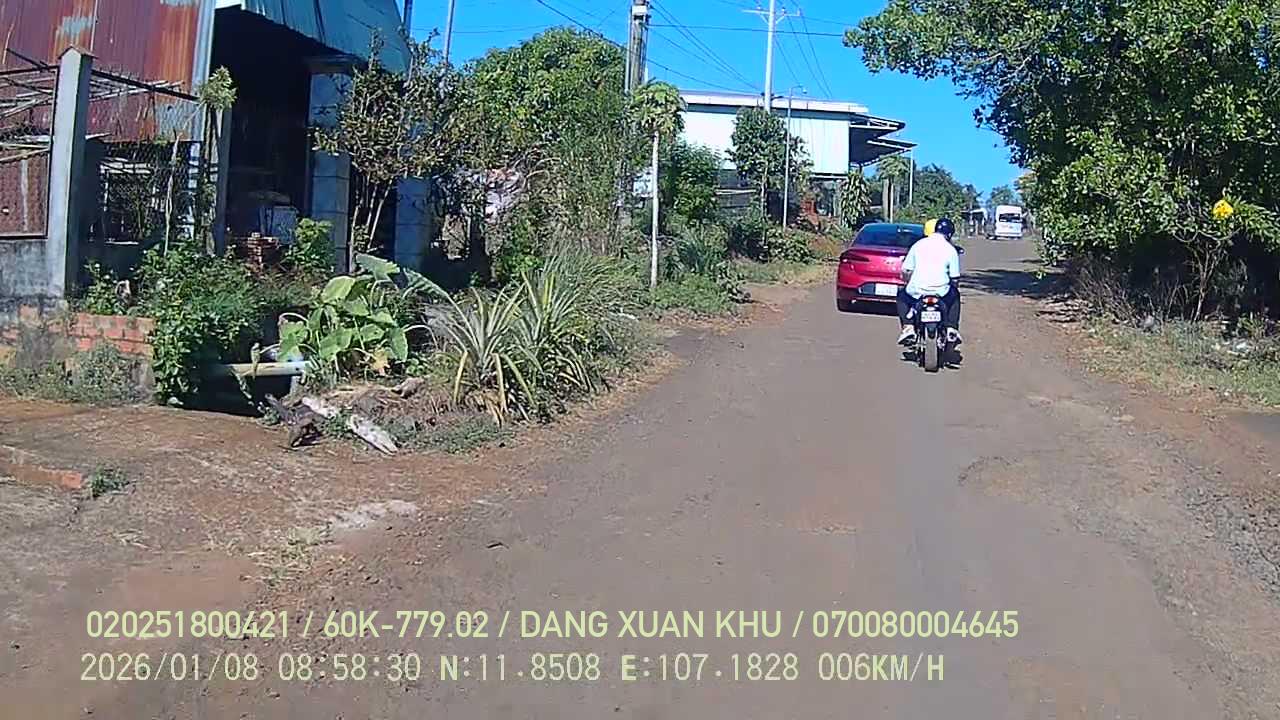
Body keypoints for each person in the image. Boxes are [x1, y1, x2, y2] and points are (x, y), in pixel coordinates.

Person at [897, 217, 962, 346]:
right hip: (941, 292)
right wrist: (952, 286)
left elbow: (906, 270)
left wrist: (907, 281)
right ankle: (951, 327)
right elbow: (955, 277)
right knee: (955, 295)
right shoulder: (950, 249)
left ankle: (908, 326)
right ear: (949, 234)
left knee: (901, 295)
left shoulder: (918, 245)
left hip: (917, 291)